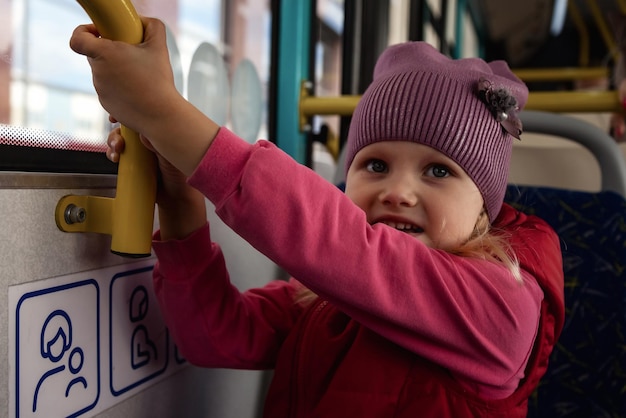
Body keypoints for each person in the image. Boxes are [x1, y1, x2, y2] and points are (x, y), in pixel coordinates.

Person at [70, 17, 565, 417]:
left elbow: (349, 248)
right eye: (374, 165)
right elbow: (215, 336)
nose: (398, 191)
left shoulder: (502, 310)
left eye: (438, 170)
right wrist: (181, 202)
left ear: (484, 210)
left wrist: (162, 112)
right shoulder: (320, 301)